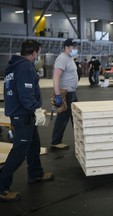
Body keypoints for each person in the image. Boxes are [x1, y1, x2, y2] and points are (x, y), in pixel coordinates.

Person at [0, 40, 54, 202]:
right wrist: (36, 108)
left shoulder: (15, 66)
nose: (39, 56)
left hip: (21, 113)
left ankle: (35, 174)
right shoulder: (25, 67)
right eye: (39, 53)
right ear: (35, 53)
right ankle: (2, 187)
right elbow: (26, 92)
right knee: (19, 150)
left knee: (34, 145)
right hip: (22, 114)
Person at [50, 39, 79, 150]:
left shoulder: (69, 58)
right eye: (74, 47)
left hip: (71, 92)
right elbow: (56, 76)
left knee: (75, 116)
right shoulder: (62, 58)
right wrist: (57, 95)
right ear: (67, 47)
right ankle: (56, 141)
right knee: (63, 117)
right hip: (65, 93)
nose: (76, 49)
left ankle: (78, 138)